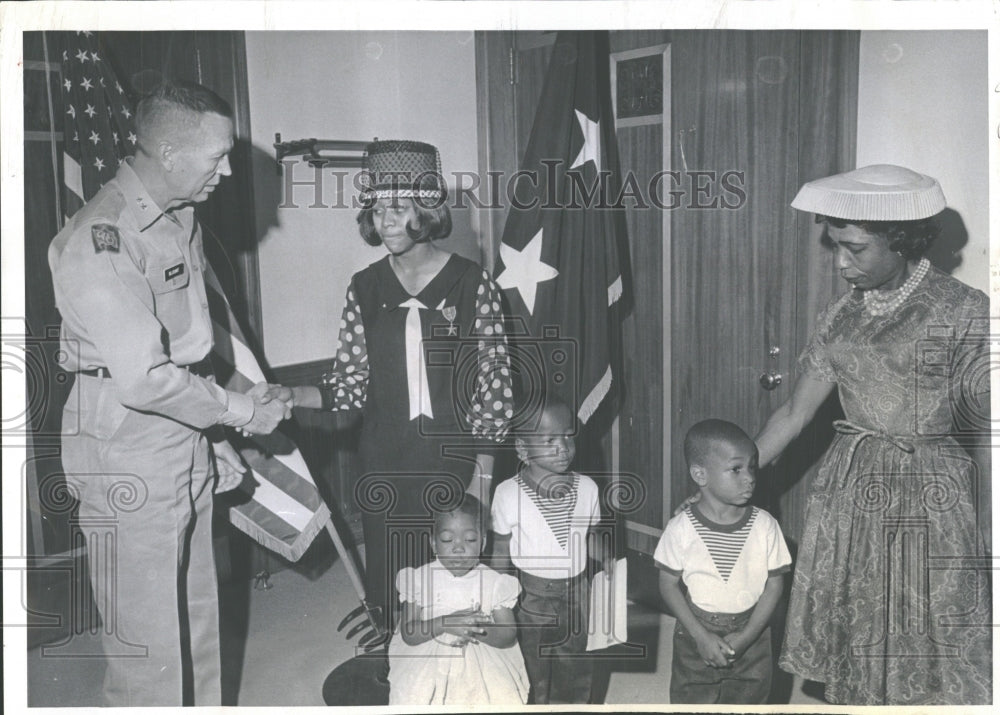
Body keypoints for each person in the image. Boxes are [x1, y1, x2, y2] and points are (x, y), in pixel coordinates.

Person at [48, 80, 290, 705]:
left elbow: (186, 349)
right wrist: (239, 414)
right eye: (217, 156)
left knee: (196, 620)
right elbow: (145, 377)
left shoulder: (180, 213)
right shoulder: (101, 238)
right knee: (145, 647)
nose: (228, 169)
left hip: (178, 429)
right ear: (169, 153)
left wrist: (208, 438)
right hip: (123, 442)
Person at [755, 164, 992, 704]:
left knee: (930, 634)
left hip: (932, 490)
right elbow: (793, 414)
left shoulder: (963, 310)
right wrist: (727, 481)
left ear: (901, 242)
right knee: (860, 626)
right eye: (835, 246)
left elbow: (986, 430)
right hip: (853, 487)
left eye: (855, 249)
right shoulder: (839, 317)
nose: (840, 263)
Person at [268, 140, 513, 636]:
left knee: (454, 575)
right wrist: (294, 396)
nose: (384, 222)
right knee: (393, 577)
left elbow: (494, 385)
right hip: (384, 455)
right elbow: (351, 383)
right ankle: (393, 659)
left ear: (426, 209)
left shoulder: (473, 283)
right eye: (376, 209)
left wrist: (481, 476)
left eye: (397, 209)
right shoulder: (365, 285)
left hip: (454, 456)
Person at [655, 419, 791, 704]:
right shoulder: (681, 527)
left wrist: (747, 636)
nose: (750, 477)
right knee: (691, 697)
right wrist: (700, 635)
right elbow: (667, 584)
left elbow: (775, 586)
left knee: (751, 699)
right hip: (696, 629)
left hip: (753, 630)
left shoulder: (765, 525)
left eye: (752, 466)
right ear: (700, 475)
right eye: (736, 469)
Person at [490, 397, 611, 704]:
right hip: (531, 597)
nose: (564, 447)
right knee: (533, 667)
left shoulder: (588, 488)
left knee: (577, 664)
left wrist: (608, 560)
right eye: (550, 440)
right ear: (522, 448)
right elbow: (501, 550)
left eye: (569, 436)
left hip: (578, 591)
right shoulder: (508, 494)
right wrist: (492, 595)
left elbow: (591, 536)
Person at [387, 493, 528, 705]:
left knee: (496, 694)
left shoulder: (494, 582)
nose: (458, 547)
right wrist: (444, 623)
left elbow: (508, 634)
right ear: (434, 544)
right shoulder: (420, 580)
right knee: (415, 694)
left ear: (483, 543)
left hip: (481, 656)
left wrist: (475, 628)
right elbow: (409, 632)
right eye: (447, 539)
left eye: (470, 539)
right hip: (429, 654)